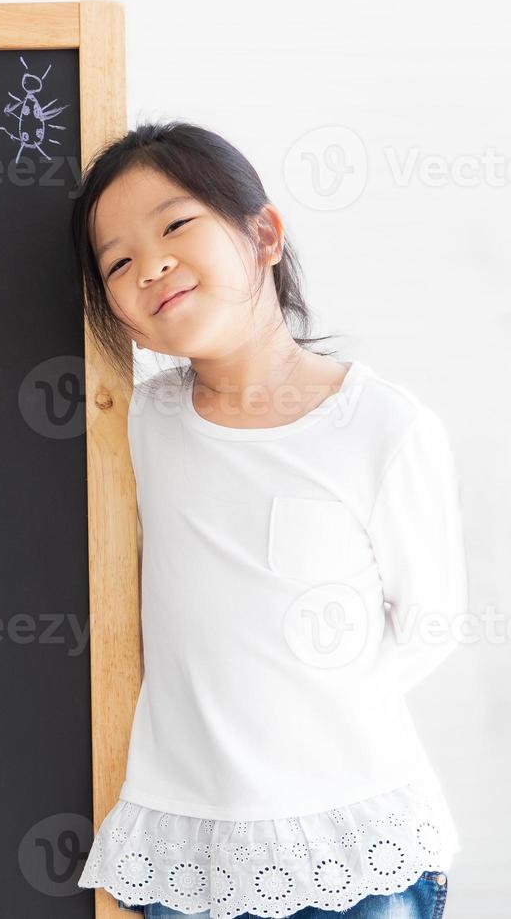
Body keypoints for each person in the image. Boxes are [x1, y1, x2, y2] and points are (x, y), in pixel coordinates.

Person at [70, 122, 466, 919]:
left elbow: (431, 623)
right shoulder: (136, 428)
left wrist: (306, 720)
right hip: (189, 851)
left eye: (176, 225)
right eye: (117, 262)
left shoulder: (381, 428)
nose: (151, 264)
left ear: (264, 235)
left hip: (352, 846)